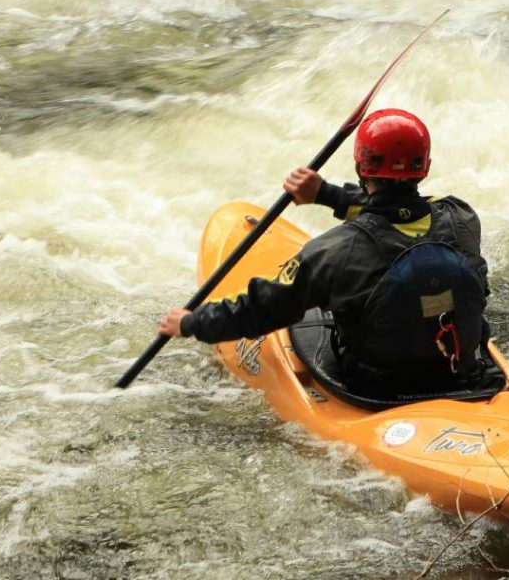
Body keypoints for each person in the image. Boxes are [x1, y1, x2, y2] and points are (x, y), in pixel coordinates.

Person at [158, 108, 490, 396]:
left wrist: (193, 322)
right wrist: (326, 194)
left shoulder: (336, 251)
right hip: (459, 372)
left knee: (333, 299)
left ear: (361, 166)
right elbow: (401, 209)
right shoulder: (461, 218)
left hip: (380, 387)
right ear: (425, 166)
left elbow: (264, 309)